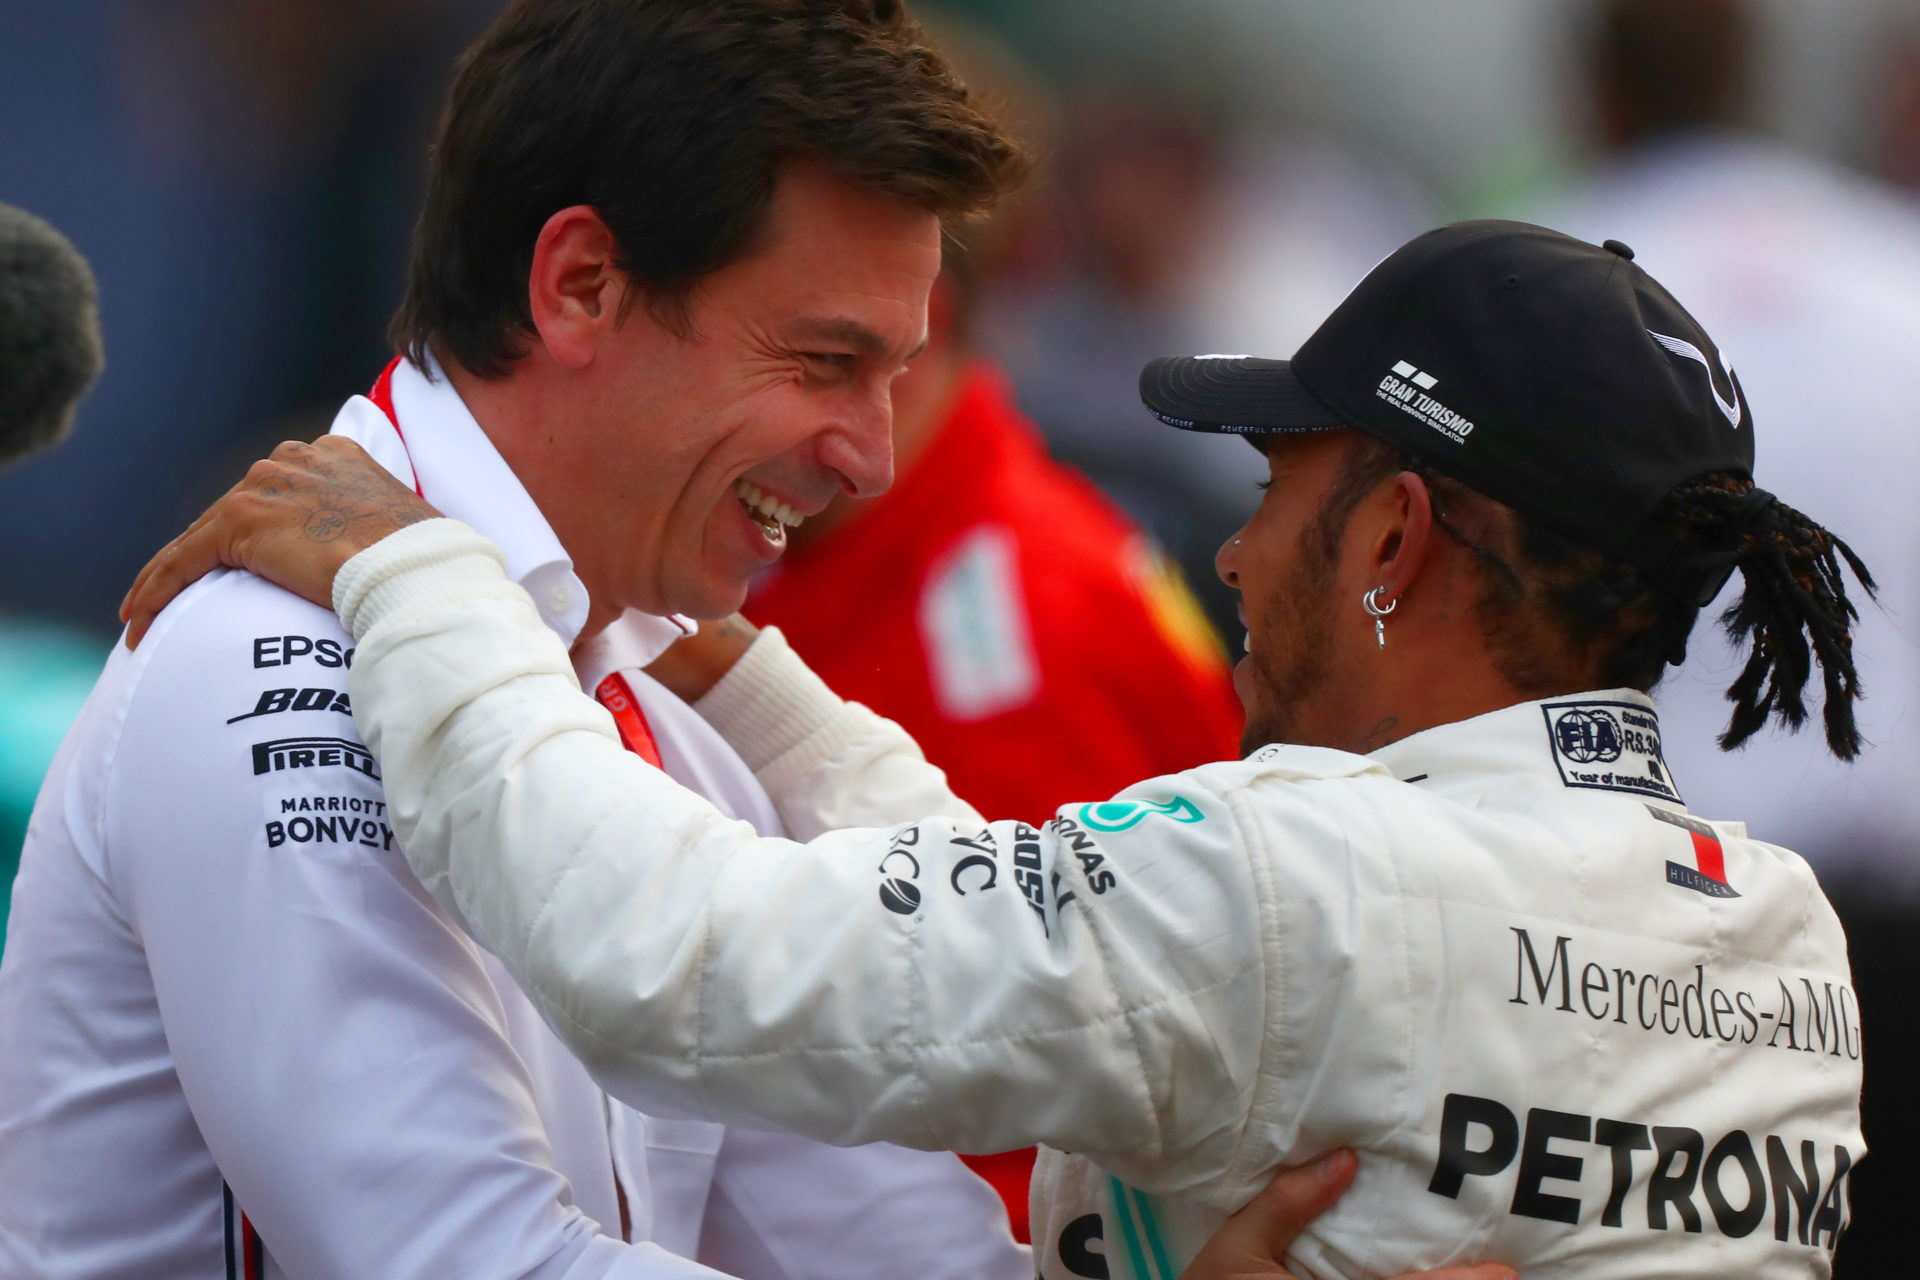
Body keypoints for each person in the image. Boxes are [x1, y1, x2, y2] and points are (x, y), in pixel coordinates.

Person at [124, 221, 1869, 1277]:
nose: (1243, 557)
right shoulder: (1790, 951)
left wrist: (427, 573)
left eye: (1281, 490)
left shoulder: (1308, 886)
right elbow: (1051, 929)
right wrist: (708, 645)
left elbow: (674, 956)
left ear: (1398, 541)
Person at [0, 2, 1036, 1277]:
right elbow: (470, 1259)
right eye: (825, 360)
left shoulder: (681, 685)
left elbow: (913, 1256)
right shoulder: (271, 656)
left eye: (896, 373)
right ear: (580, 287)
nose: (871, 457)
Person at [751, 234, 1243, 1236]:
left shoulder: (1007, 642)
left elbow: (1046, 1070)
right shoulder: (902, 548)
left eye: (804, 357)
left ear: (916, 338)